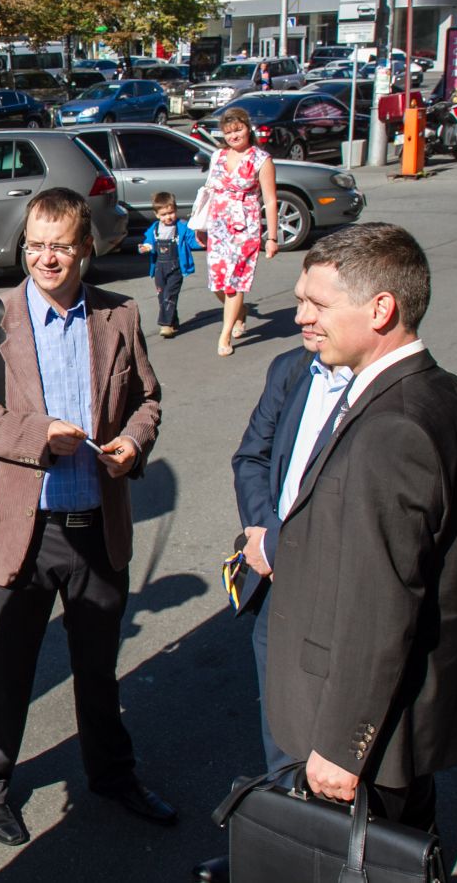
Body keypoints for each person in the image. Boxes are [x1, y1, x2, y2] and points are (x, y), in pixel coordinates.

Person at [0, 187, 171, 847]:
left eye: (61, 246)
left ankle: (112, 774)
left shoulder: (120, 315)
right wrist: (37, 435)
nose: (46, 258)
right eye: (36, 245)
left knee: (97, 668)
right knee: (8, 668)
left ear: (86, 248)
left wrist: (134, 443)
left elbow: (148, 398)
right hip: (26, 529)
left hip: (97, 524)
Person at [265, 223, 457, 832]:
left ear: (381, 309)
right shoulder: (444, 392)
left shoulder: (392, 429)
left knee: (366, 859)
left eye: (317, 304)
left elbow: (381, 604)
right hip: (397, 718)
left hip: (367, 737)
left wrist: (344, 746)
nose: (301, 318)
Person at [191, 343, 352, 883]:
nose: (301, 317)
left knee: (341, 753)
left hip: (342, 597)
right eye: (300, 303)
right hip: (276, 590)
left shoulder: (389, 392)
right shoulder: (292, 368)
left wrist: (284, 548)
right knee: (282, 736)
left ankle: (345, 863)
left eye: (315, 305)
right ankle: (285, 857)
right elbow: (252, 458)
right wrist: (265, 539)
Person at [204, 106, 280, 357]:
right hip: (218, 226)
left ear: (248, 129)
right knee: (217, 282)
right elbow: (207, 192)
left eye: (238, 130)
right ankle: (240, 311)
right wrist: (200, 226)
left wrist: (272, 238)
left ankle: (224, 335)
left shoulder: (261, 159)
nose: (234, 136)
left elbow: (270, 200)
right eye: (228, 132)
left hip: (245, 228)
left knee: (234, 283)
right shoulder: (218, 156)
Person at [138, 191, 203, 337]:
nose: (168, 217)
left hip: (176, 267)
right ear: (156, 215)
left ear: (176, 210)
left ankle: (166, 325)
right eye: (163, 214)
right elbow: (149, 241)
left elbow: (192, 241)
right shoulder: (155, 228)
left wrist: (203, 242)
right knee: (162, 296)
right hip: (159, 268)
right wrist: (145, 247)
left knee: (169, 295)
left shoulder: (182, 227)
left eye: (171, 213)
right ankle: (173, 321)